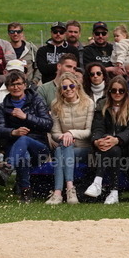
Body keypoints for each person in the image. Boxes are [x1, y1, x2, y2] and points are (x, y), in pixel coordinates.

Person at [86, 75, 129, 204]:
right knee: (112, 150)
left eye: (121, 90)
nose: (117, 93)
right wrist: (97, 141)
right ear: (109, 91)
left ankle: (98, 182)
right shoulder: (102, 105)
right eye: (114, 90)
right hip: (106, 145)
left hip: (128, 147)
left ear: (126, 92)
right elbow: (97, 127)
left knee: (114, 149)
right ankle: (113, 192)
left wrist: (117, 139)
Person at [0, 70, 53, 202]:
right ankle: (26, 193)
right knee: (23, 154)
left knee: (25, 139)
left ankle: (8, 168)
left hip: (39, 147)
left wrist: (26, 117)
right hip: (14, 147)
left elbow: (48, 124)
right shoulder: (3, 107)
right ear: (7, 87)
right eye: (12, 85)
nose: (16, 87)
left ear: (25, 85)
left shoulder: (37, 101)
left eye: (19, 84)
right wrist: (12, 132)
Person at [45, 71, 93, 204]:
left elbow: (89, 131)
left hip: (84, 148)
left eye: (71, 86)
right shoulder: (56, 104)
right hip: (66, 146)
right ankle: (69, 190)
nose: (68, 90)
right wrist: (64, 137)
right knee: (63, 148)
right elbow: (55, 133)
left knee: (62, 150)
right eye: (64, 87)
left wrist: (71, 133)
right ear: (60, 90)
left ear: (77, 86)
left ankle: (58, 193)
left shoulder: (88, 103)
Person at [5, 22, 40, 86]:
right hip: (10, 86)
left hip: (28, 85)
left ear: (22, 33)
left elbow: (38, 67)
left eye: (18, 31)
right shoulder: (4, 49)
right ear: (8, 34)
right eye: (12, 31)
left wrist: (34, 82)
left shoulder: (31, 48)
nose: (15, 34)